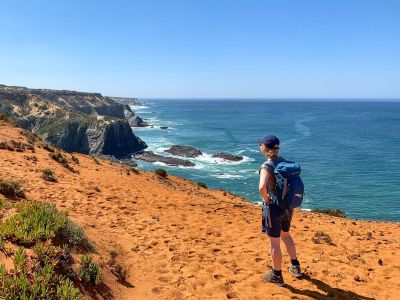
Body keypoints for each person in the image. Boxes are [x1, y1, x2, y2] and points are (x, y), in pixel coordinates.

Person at [258, 134, 302, 287]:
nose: (260, 147)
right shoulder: (284, 162)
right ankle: (295, 267)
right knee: (286, 236)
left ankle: (277, 275)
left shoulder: (267, 166)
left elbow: (261, 187)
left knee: (274, 243)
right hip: (287, 208)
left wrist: (266, 199)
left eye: (261, 145)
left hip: (273, 208)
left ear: (264, 148)